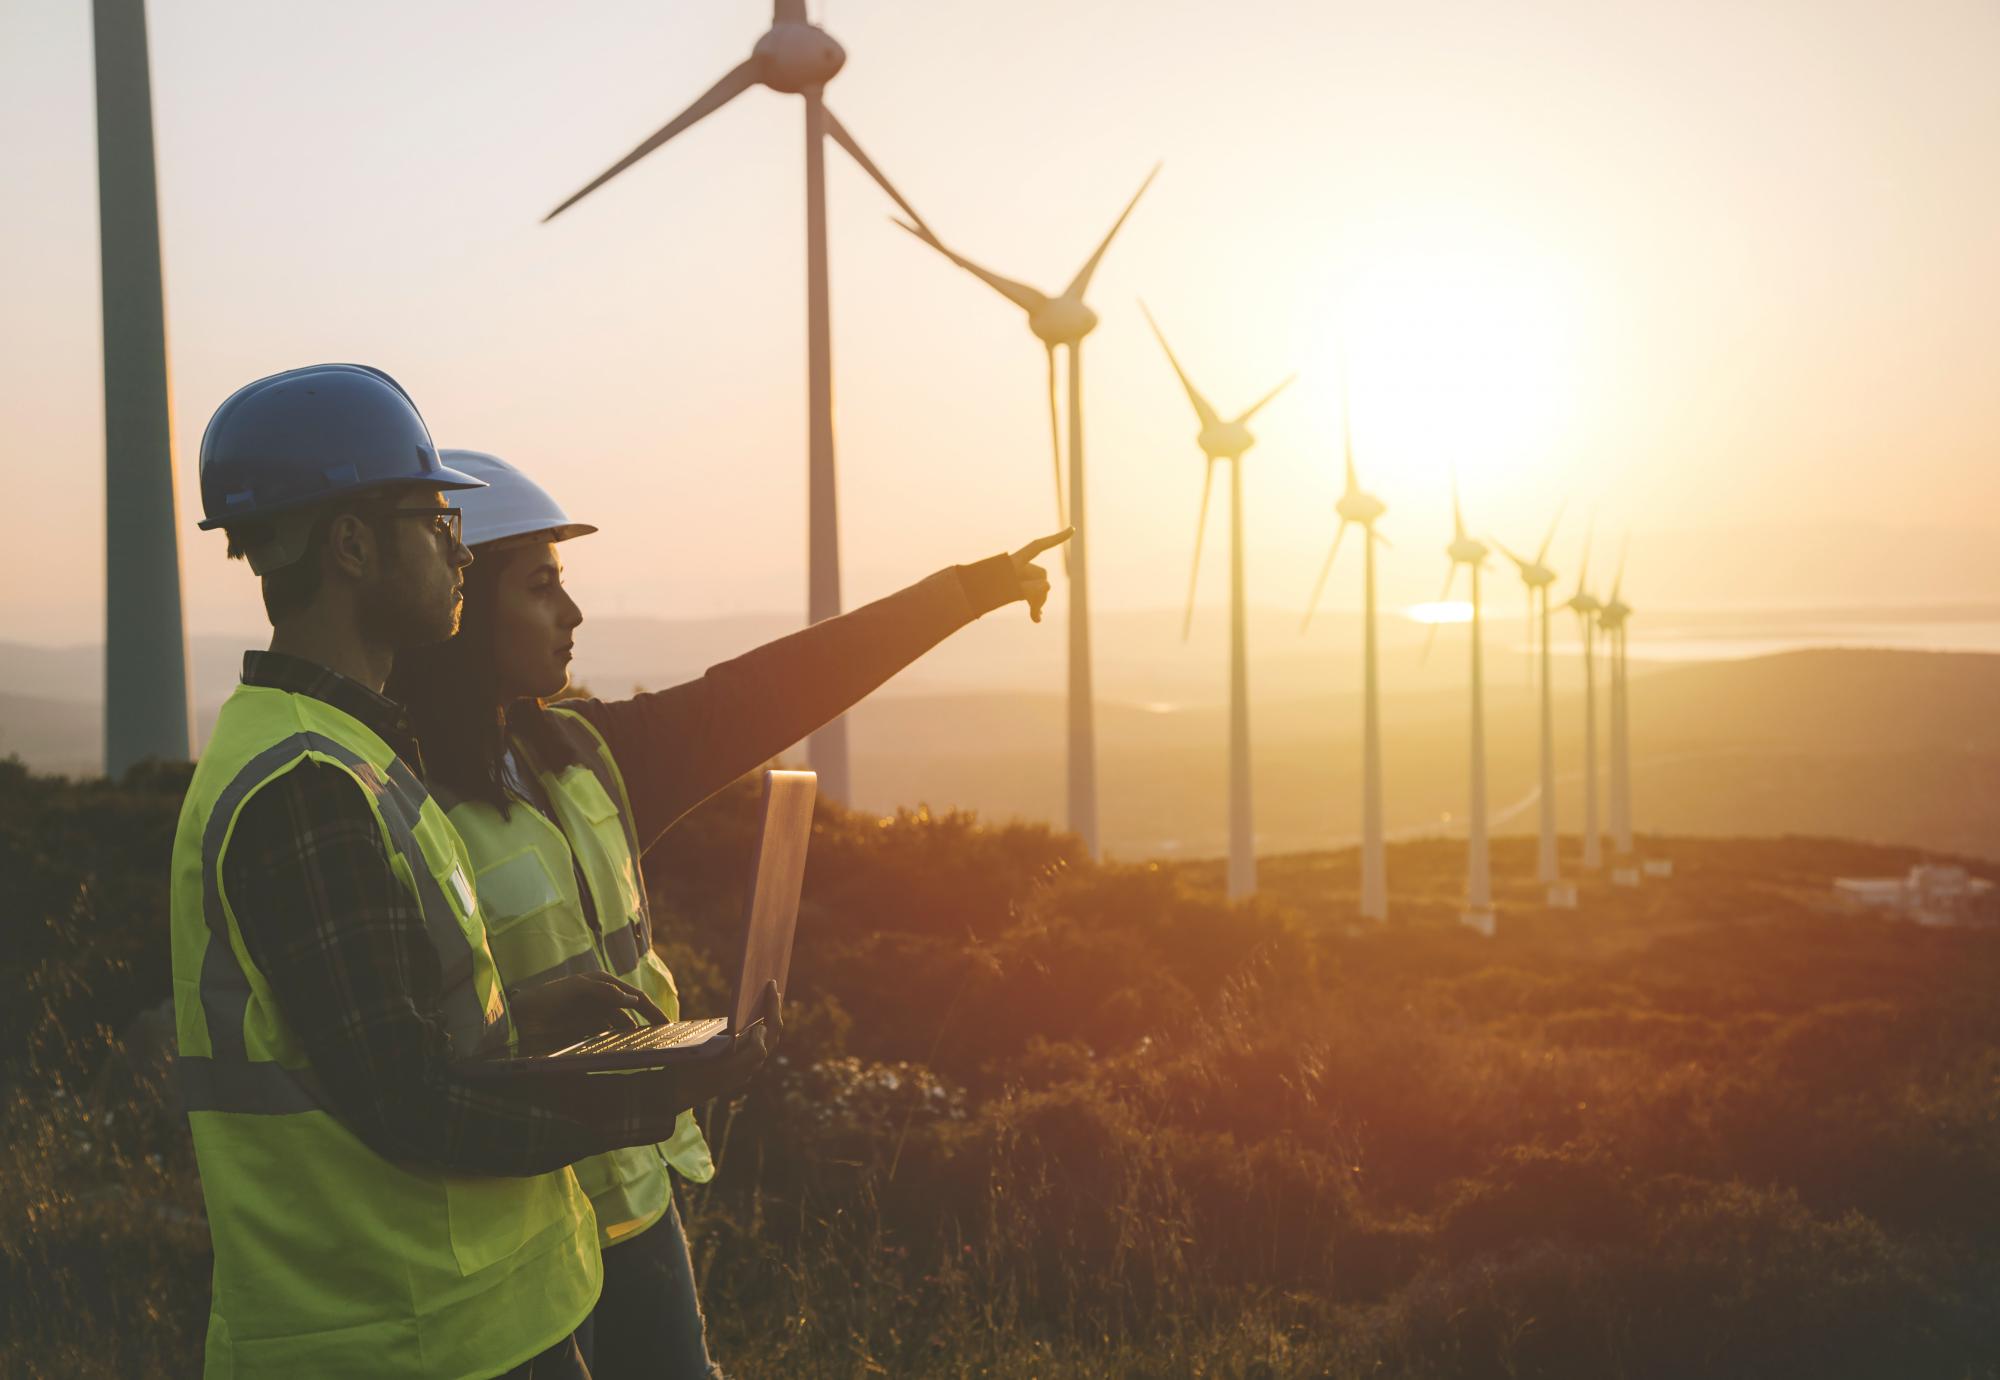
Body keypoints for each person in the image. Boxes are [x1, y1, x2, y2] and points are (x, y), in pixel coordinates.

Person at [385, 450, 1070, 1378]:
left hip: (634, 1203)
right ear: (464, 607)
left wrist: (963, 593)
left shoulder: (586, 757)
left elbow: (771, 688)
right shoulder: (395, 802)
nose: (572, 613)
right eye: (542, 586)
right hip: (511, 1235)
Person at [169, 365, 772, 1380]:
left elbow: (392, 1032)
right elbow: (407, 1102)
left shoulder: (356, 755)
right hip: (399, 1339)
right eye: (432, 515)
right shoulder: (303, 789)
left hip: (474, 1319)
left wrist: (534, 1013)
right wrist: (653, 1091)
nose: (459, 544)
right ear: (351, 546)